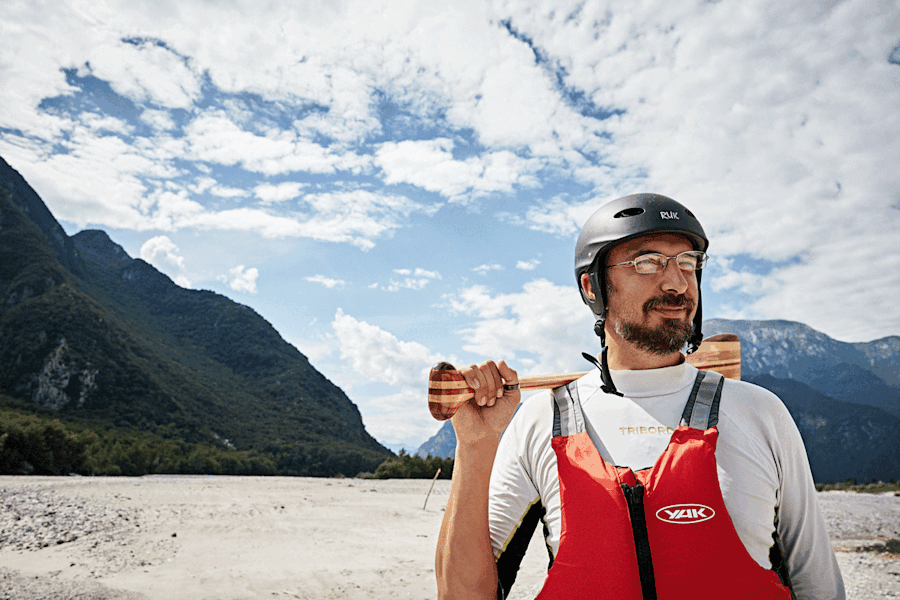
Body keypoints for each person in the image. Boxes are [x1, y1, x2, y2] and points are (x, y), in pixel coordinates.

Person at [435, 193, 844, 599]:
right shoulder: (542, 420)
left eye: (688, 262)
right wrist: (475, 446)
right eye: (646, 262)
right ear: (592, 286)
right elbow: (461, 596)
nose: (677, 282)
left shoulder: (760, 413)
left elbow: (820, 588)